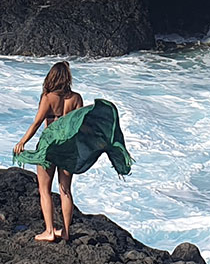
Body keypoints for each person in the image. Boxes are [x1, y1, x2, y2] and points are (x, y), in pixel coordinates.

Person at [12, 61, 134, 242]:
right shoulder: (76, 98)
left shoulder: (48, 97)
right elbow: (80, 127)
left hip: (49, 146)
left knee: (44, 190)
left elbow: (36, 123)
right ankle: (66, 232)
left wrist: (22, 142)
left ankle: (50, 231)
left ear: (51, 77)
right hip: (69, 149)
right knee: (65, 190)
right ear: (67, 78)